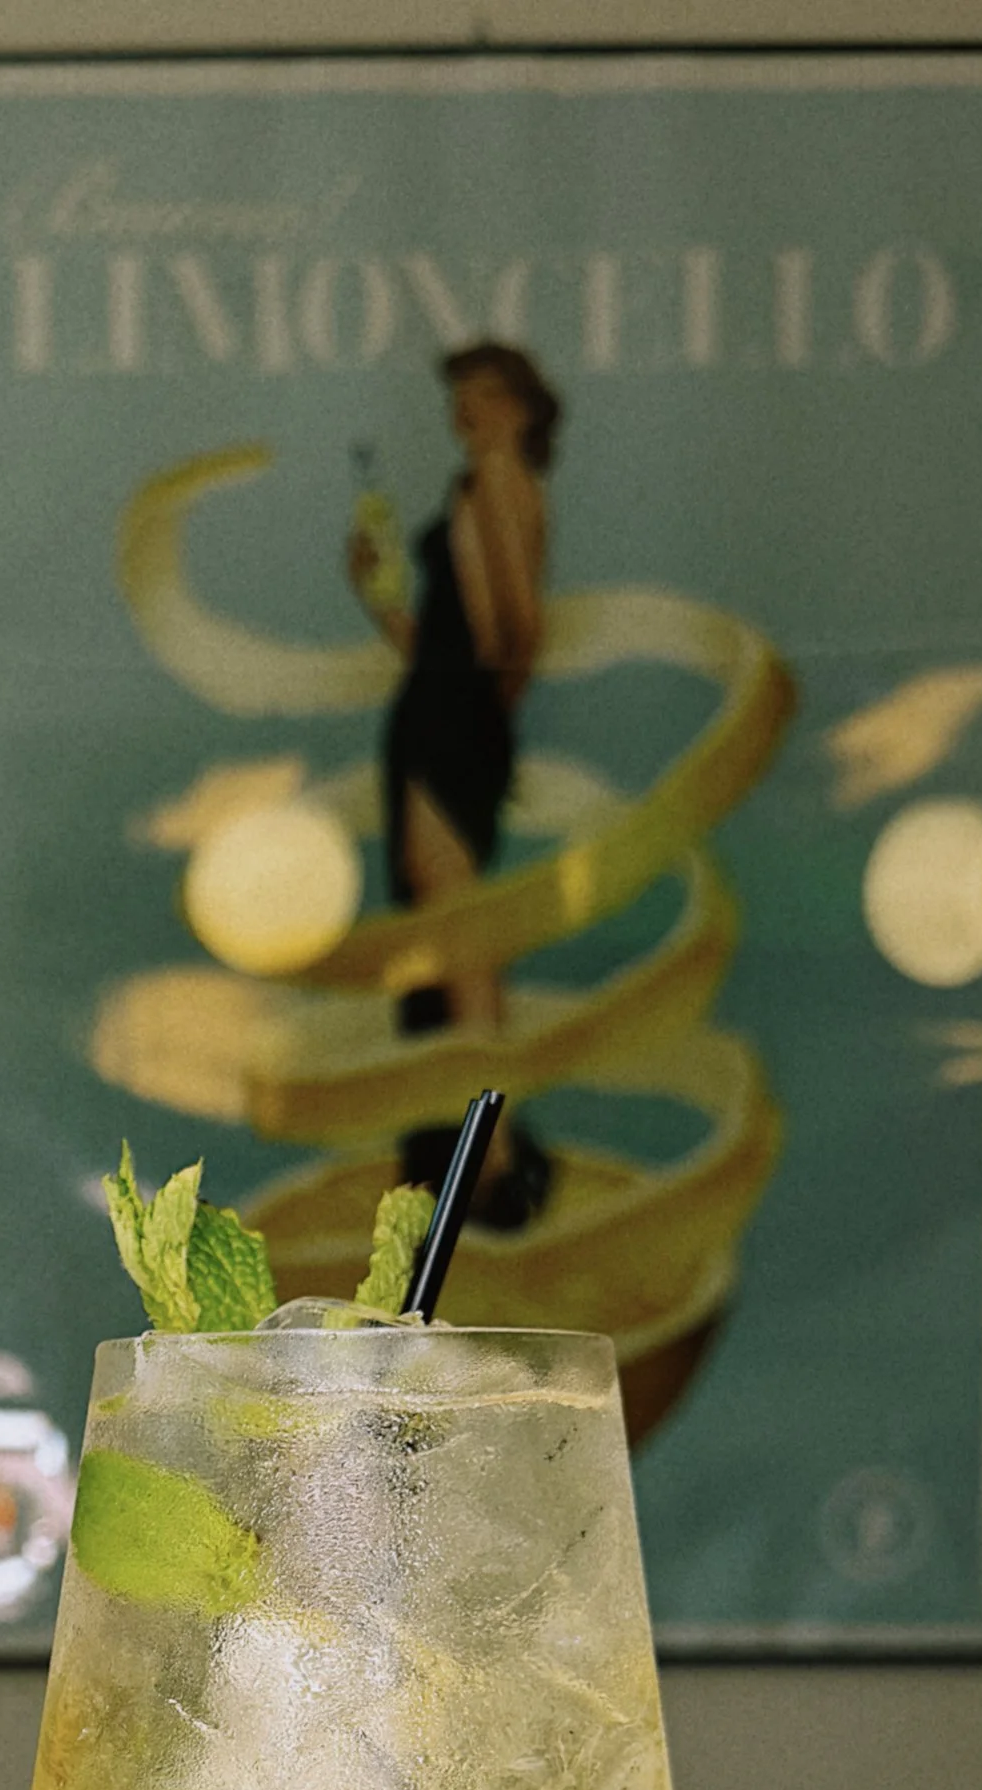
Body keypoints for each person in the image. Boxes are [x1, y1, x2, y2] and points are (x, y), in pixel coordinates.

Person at [349, 342, 560, 1226]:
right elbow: (449, 641)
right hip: (439, 713)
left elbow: (517, 627)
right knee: (446, 932)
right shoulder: (480, 483)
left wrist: (487, 711)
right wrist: (378, 600)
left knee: (459, 935)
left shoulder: (501, 482)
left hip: (451, 722)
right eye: (459, 395)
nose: (462, 410)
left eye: (477, 393)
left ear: (515, 403)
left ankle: (491, 1154)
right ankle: (472, 1143)